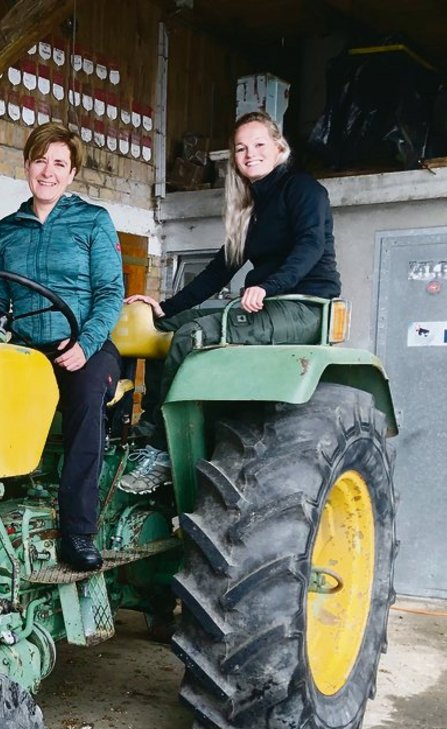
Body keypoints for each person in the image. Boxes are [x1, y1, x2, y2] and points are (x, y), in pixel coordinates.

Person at [0, 122, 124, 571]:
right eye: (41, 160)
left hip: (86, 346)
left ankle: (78, 531)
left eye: (59, 163)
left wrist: (86, 342)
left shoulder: (93, 221)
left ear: (72, 173)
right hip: (26, 349)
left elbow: (110, 293)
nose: (48, 171)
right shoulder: (8, 229)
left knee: (83, 399)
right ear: (26, 166)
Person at [119, 110, 341, 494]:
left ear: (279, 148)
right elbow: (218, 270)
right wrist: (164, 308)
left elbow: (311, 246)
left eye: (258, 145)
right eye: (241, 148)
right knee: (161, 329)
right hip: (266, 304)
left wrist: (269, 286)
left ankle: (162, 453)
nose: (250, 154)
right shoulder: (249, 207)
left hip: (302, 306)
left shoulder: (304, 190)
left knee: (191, 337)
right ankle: (148, 429)